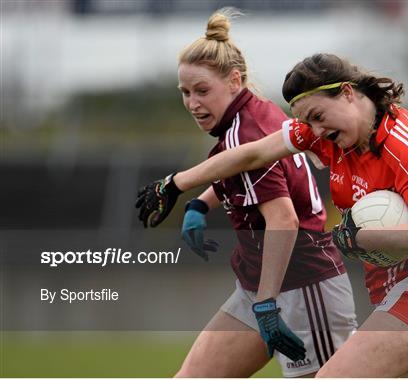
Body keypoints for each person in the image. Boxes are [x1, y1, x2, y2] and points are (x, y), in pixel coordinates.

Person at [137, 52, 408, 377]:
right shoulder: (327, 134)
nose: (314, 129)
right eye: (306, 121)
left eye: (318, 116)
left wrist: (358, 236)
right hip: (389, 290)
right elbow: (250, 154)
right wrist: (176, 184)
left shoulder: (407, 145)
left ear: (346, 93)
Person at [135, 13, 358, 378]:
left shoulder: (244, 132)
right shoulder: (258, 110)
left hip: (304, 288)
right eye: (186, 93)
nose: (193, 103)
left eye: (202, 91)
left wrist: (268, 305)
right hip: (258, 288)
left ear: (234, 80)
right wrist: (200, 203)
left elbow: (283, 219)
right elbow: (240, 169)